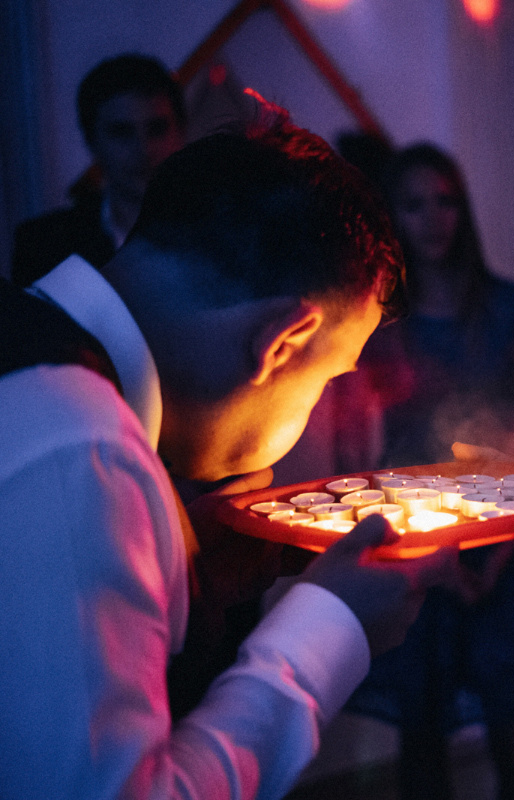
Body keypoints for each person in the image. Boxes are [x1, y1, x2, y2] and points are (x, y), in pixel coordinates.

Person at [0, 106, 450, 798]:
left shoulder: (34, 359)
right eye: (329, 379)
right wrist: (329, 627)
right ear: (280, 342)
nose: (320, 407)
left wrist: (186, 574)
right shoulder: (80, 440)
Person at [348, 143, 514, 800]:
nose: (434, 218)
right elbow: (358, 457)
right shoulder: (379, 322)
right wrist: (402, 552)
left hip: (504, 542)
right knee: (422, 735)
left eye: (445, 200)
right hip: (409, 544)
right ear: (393, 217)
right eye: (414, 204)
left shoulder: (506, 309)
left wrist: (496, 557)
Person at [11, 53, 186, 287]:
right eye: (122, 132)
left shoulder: (220, 236)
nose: (143, 149)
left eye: (157, 129)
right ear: (92, 141)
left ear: (181, 133)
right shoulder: (45, 246)